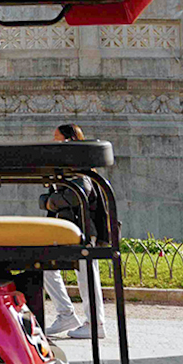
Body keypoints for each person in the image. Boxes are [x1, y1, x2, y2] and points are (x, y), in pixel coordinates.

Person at [41, 123, 108, 340]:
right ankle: (66, 315)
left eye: (57, 137)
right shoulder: (66, 166)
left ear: (68, 140)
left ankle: (95, 323)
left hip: (81, 228)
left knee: (86, 274)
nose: (54, 142)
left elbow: (80, 192)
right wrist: (50, 201)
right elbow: (48, 198)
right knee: (47, 268)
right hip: (66, 227)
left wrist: (51, 202)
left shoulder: (78, 165)